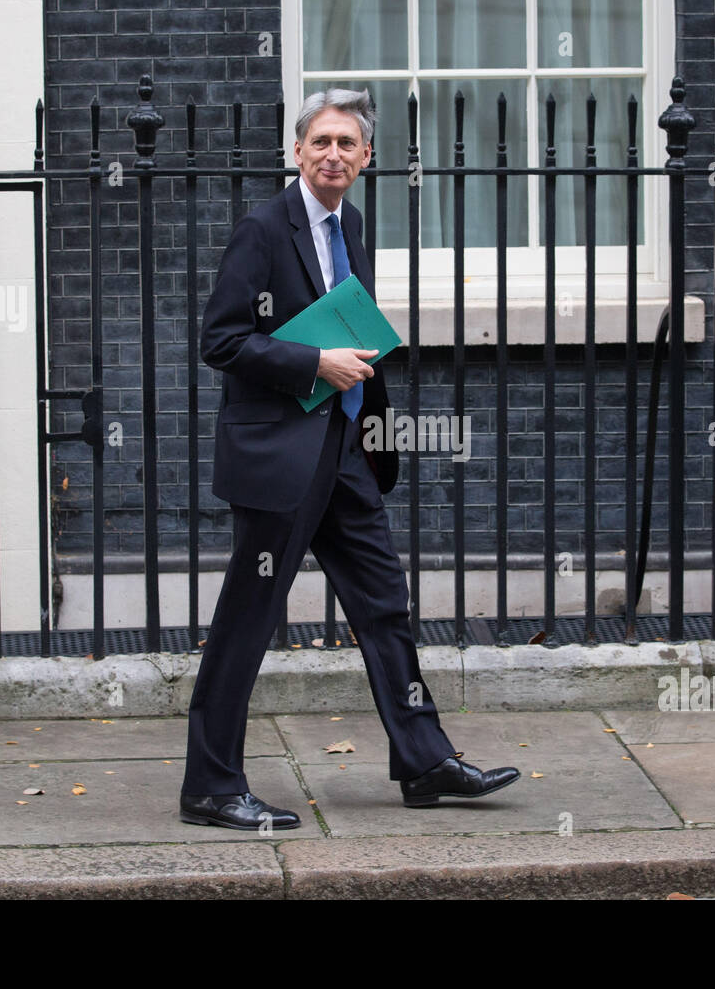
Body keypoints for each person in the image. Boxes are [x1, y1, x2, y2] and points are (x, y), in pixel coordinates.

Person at [178, 87, 519, 830]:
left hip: (345, 452)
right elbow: (221, 340)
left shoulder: (351, 223)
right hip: (280, 459)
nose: (333, 154)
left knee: (385, 606)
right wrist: (315, 363)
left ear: (366, 159)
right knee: (249, 618)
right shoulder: (262, 230)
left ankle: (424, 762)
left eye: (348, 144)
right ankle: (209, 784)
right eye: (320, 141)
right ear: (297, 151)